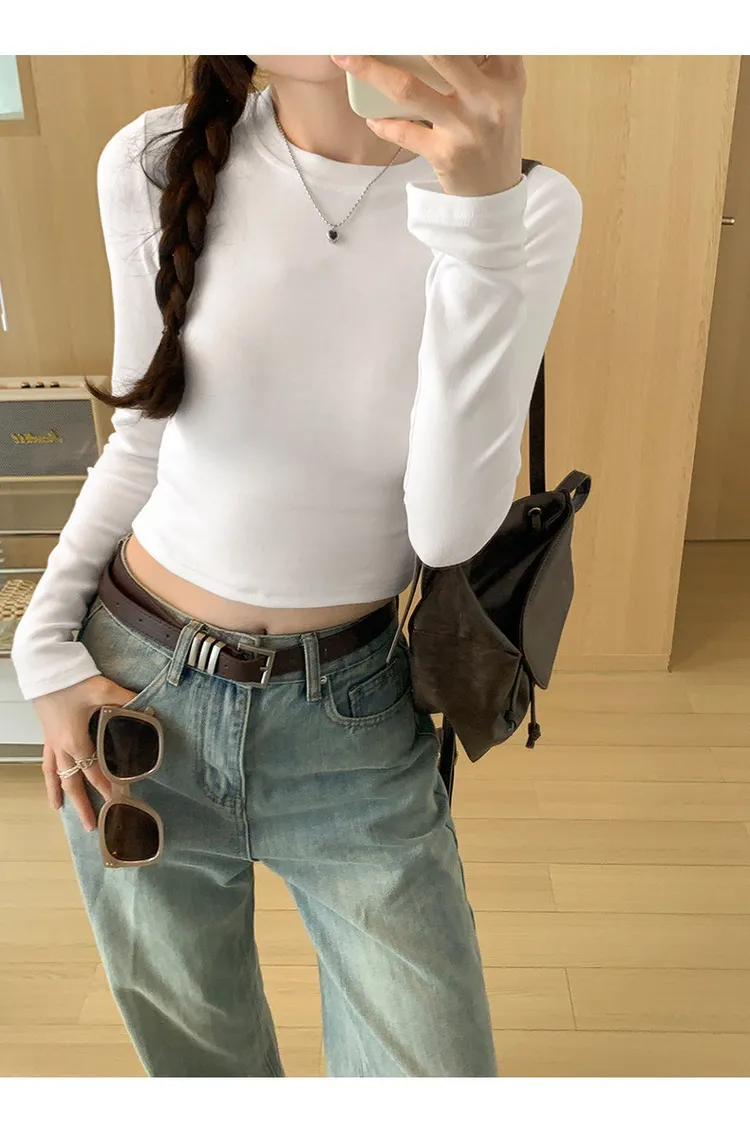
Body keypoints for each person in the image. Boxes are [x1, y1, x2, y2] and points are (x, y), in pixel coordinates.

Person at [11, 55, 582, 1077]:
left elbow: (446, 532)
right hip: (138, 700)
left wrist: (481, 218)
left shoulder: (525, 202)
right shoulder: (152, 160)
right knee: (200, 1062)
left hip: (351, 718)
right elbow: (142, 441)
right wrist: (41, 648)